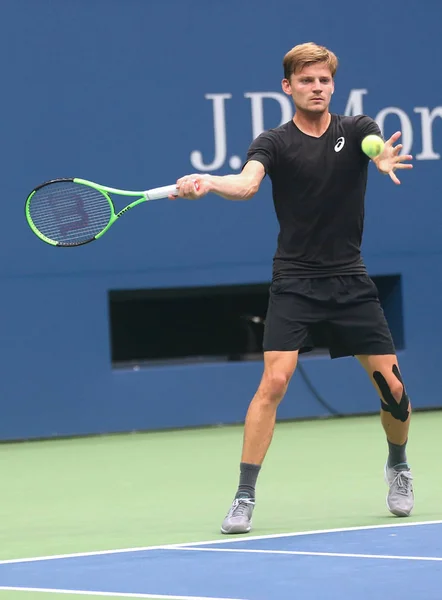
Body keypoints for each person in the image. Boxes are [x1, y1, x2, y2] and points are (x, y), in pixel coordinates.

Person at [172, 42, 414, 534]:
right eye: (306, 81)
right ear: (288, 87)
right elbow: (246, 184)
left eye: (324, 80)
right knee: (275, 382)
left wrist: (382, 157)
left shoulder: (358, 130)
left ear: (333, 85)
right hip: (296, 282)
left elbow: (375, 147)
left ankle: (399, 465)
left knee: (393, 389)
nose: (317, 87)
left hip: (350, 279)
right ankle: (243, 496)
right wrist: (211, 182)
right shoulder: (274, 142)